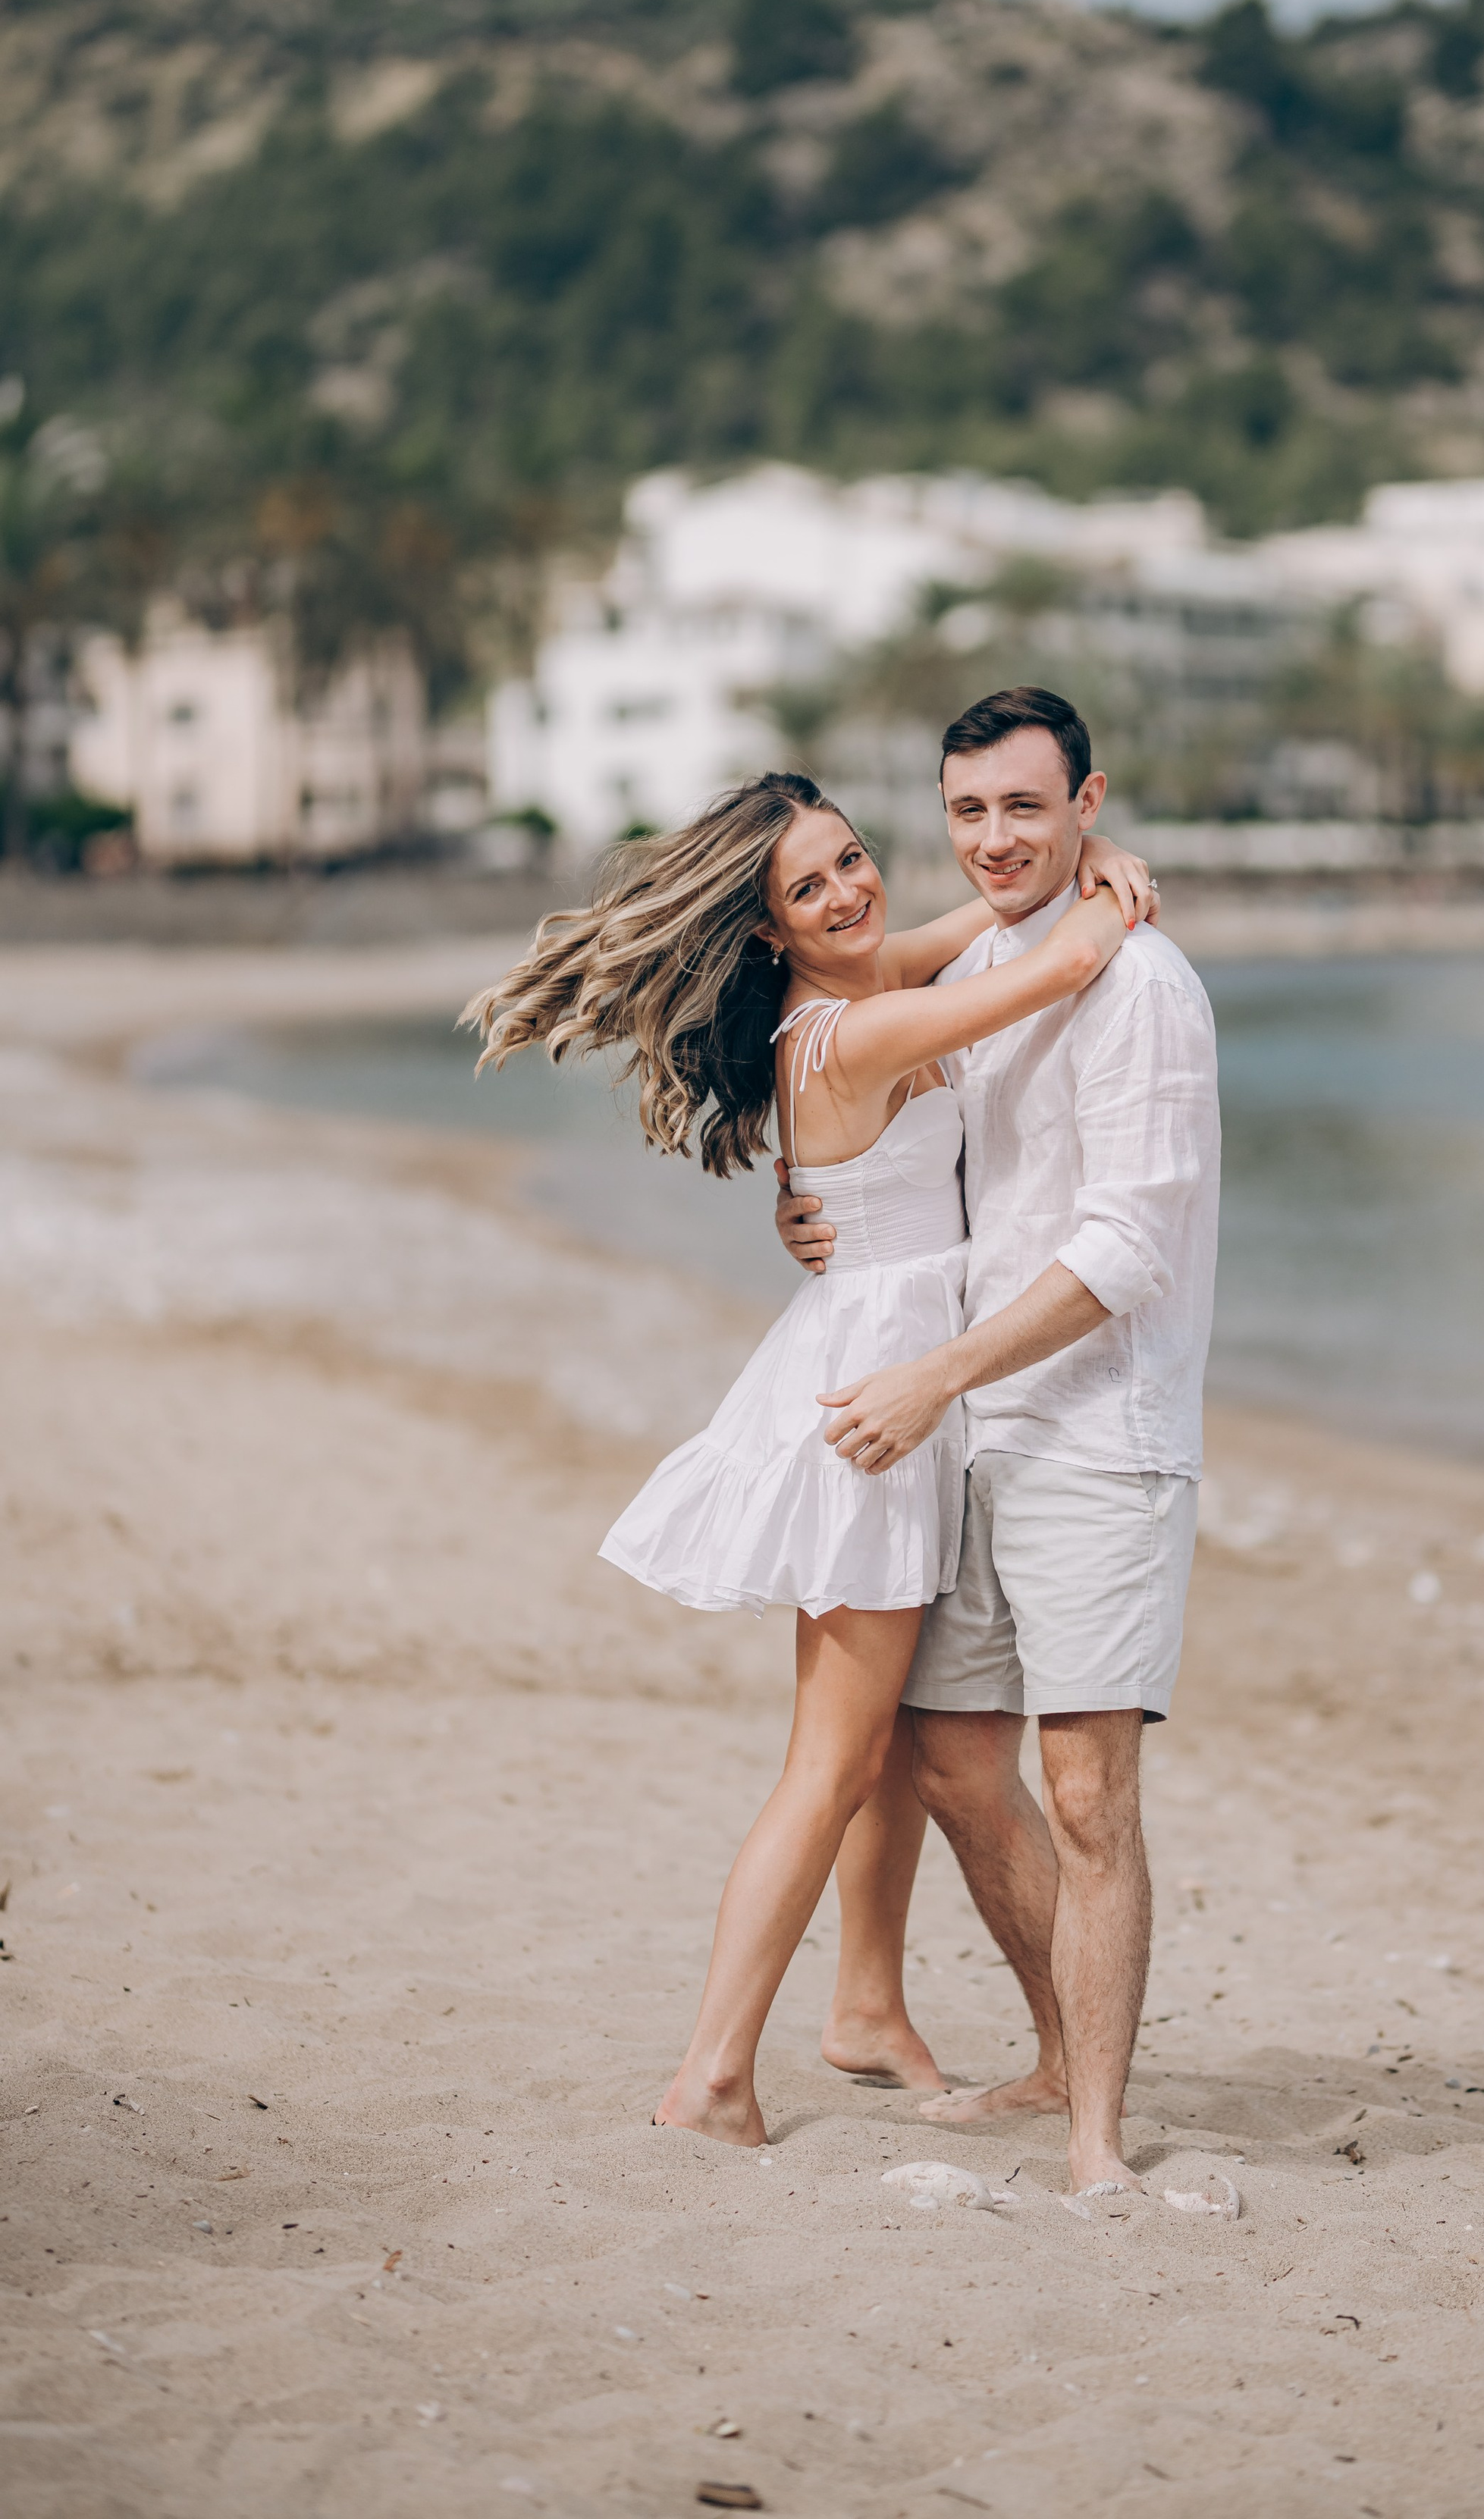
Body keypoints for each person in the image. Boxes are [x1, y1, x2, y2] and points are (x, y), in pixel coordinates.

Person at [462, 773, 1154, 2146]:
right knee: (831, 1761)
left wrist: (1091, 845)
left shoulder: (850, 988)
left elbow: (986, 910)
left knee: (887, 1745)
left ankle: (866, 2007)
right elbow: (1066, 954)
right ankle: (713, 2077)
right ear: (770, 930)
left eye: (849, 860)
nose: (849, 892)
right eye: (809, 888)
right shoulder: (860, 1024)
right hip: (878, 1405)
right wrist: (1101, 881)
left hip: (874, 1362)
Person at [777, 689, 1220, 2199]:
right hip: (968, 1429)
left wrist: (933, 1372)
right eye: (966, 811)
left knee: (1088, 1791)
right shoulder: (987, 953)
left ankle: (1096, 2136)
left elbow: (1128, 1250)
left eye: (1023, 808)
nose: (991, 838)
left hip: (1100, 1432)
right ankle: (1048, 2054)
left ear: (1086, 800)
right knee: (953, 1762)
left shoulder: (1142, 988)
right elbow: (864, 1087)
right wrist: (806, 1206)